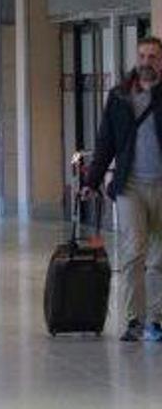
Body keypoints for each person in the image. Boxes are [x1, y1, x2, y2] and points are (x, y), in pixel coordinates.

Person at [83, 36, 162, 342]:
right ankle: (134, 319)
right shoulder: (119, 97)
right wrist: (91, 181)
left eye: (153, 57)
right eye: (142, 56)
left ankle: (156, 318)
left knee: (158, 259)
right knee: (134, 253)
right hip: (130, 185)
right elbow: (106, 142)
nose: (146, 63)